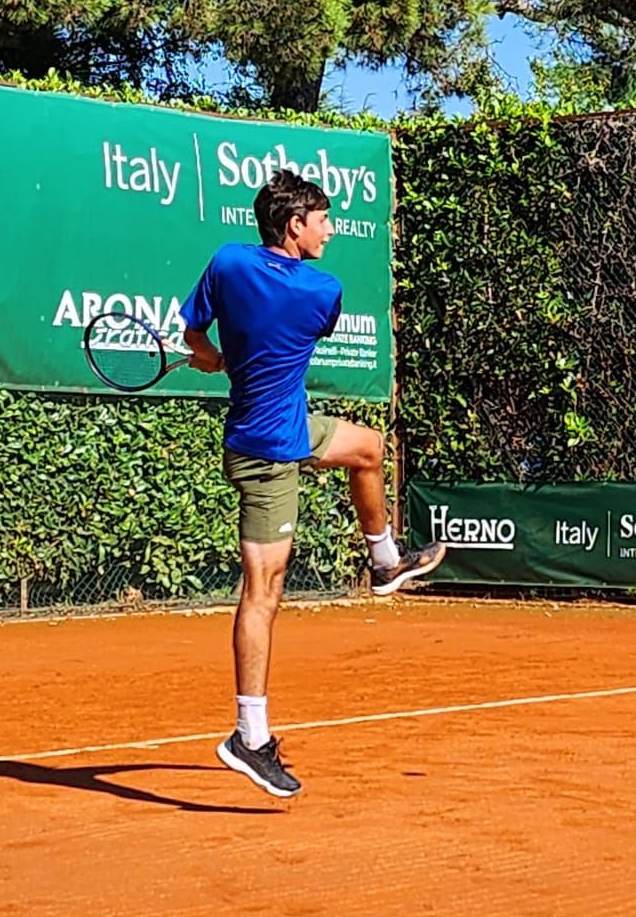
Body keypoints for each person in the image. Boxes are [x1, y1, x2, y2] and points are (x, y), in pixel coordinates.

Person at [182, 169, 445, 799]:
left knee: (369, 449)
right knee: (263, 594)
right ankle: (249, 737)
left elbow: (198, 335)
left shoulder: (227, 262)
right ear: (294, 225)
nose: (329, 231)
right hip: (267, 455)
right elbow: (279, 335)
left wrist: (214, 357)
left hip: (290, 427)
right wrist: (235, 358)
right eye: (322, 221)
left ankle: (384, 561)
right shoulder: (321, 291)